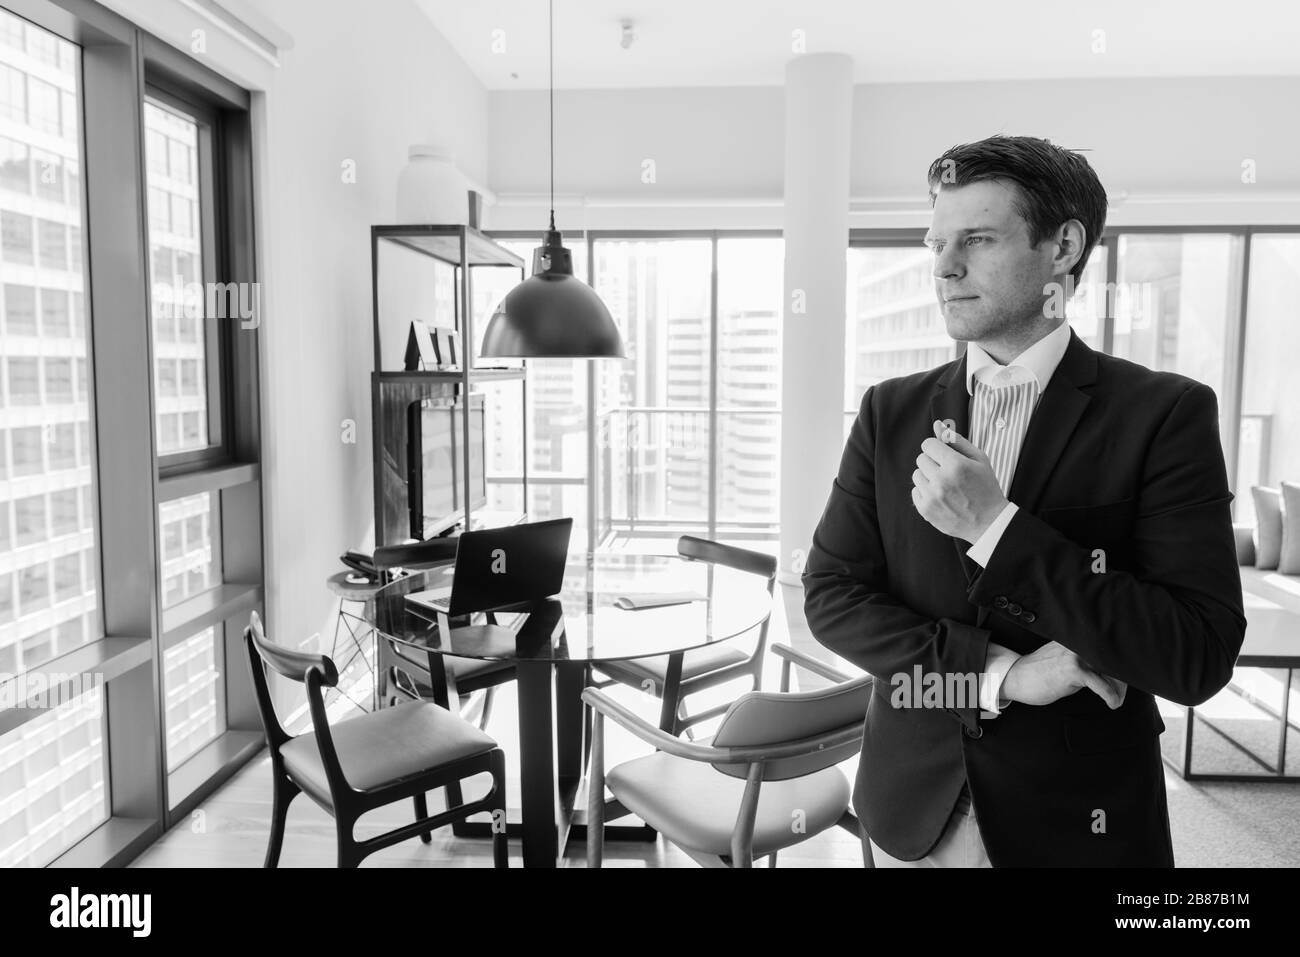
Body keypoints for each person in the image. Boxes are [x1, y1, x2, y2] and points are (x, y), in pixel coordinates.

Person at [802, 135, 1246, 867]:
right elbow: (832, 596)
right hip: (910, 811)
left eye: (976, 238)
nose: (944, 266)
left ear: (1063, 247)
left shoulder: (1164, 415)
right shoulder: (889, 411)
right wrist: (999, 673)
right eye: (936, 241)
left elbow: (1195, 653)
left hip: (1080, 821)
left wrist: (997, 528)